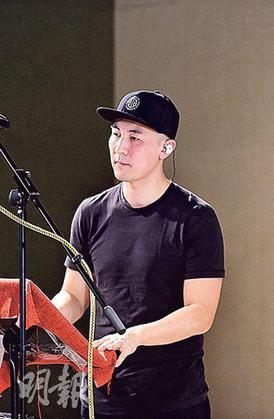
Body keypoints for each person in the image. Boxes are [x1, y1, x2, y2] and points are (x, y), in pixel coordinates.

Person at [51, 90, 224, 418]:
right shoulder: (91, 212)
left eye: (135, 137)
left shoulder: (195, 218)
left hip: (174, 401)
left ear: (165, 148)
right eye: (116, 134)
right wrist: (34, 323)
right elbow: (73, 297)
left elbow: (200, 313)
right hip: (103, 397)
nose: (121, 147)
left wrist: (135, 337)